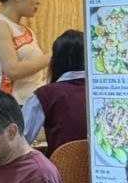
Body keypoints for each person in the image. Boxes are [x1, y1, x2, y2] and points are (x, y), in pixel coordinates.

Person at [22, 30, 87, 159]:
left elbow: (19, 142)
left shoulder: (44, 95)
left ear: (56, 61)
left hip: (60, 169)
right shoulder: (107, 92)